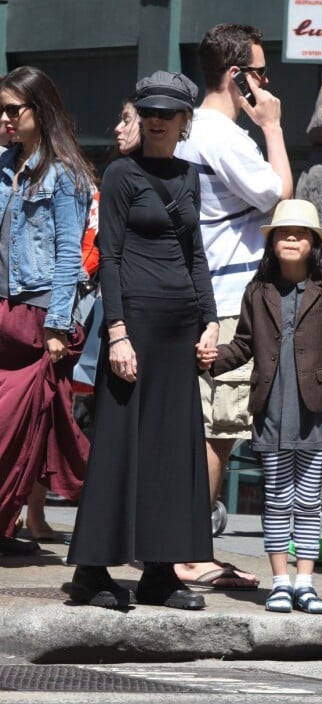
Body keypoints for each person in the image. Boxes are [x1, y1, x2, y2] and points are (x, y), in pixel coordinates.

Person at [67, 70, 218, 611]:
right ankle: (91, 571)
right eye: (148, 111)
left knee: (174, 448)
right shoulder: (122, 174)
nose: (155, 120)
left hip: (181, 328)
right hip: (135, 326)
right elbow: (111, 257)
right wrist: (118, 333)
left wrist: (212, 321)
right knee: (119, 446)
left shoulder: (191, 176)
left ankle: (160, 571)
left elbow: (195, 254)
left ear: (184, 121)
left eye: (167, 113)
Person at [174, 23, 292, 589]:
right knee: (217, 429)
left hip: (205, 297)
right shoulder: (224, 135)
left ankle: (184, 547)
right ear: (236, 76)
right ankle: (193, 552)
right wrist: (272, 127)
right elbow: (281, 198)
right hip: (225, 302)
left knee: (203, 426)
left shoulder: (190, 130)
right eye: (260, 73)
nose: (267, 84)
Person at [198, 199, 322, 613]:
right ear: (271, 242)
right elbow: (245, 344)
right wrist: (213, 360)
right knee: (277, 498)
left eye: (300, 234)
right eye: (283, 233)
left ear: (313, 243)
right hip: (269, 410)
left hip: (315, 411)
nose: (290, 239)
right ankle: (279, 582)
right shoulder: (258, 290)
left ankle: (306, 582)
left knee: (308, 499)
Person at [0, 66, 94, 555]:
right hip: (1, 309)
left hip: (38, 315)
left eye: (13, 109)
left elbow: (67, 256)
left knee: (18, 427)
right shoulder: (0, 165)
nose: (5, 119)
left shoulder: (65, 175)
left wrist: (58, 324)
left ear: (40, 110)